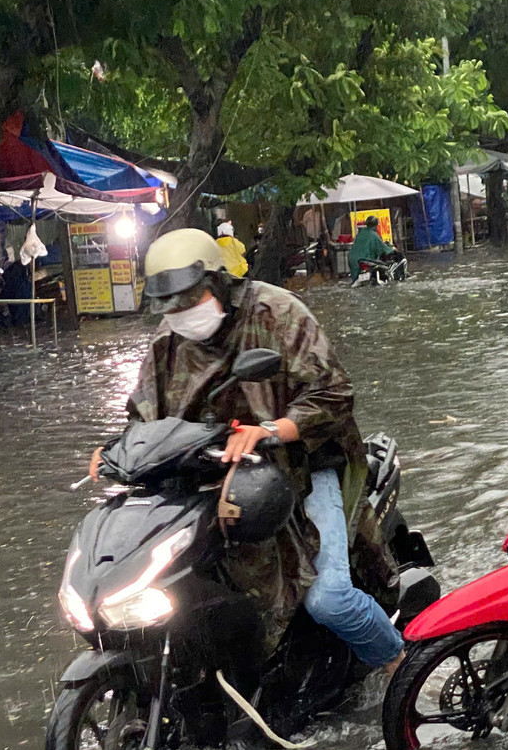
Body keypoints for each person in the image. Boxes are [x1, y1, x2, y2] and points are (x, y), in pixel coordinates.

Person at [88, 228, 405, 675]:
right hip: (216, 478)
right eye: (170, 306)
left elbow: (334, 394)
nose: (180, 314)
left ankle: (398, 663)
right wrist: (118, 451)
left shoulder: (277, 313)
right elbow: (144, 414)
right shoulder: (168, 340)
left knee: (328, 599)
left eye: (188, 301)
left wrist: (270, 430)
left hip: (305, 466)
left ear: (218, 283)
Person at [348, 215, 400, 281]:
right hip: (364, 259)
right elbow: (383, 248)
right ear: (376, 225)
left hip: (352, 260)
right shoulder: (374, 235)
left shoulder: (361, 233)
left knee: (356, 280)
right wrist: (392, 249)